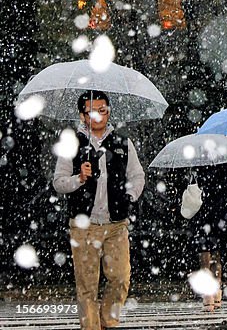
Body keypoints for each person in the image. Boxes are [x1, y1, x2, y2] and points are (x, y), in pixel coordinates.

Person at [53, 92, 145, 330]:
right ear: (83, 115)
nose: (99, 115)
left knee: (120, 278)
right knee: (87, 284)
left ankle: (108, 320)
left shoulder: (122, 142)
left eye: (103, 110)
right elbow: (59, 182)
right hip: (84, 225)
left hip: (116, 223)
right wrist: (78, 178)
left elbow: (137, 176)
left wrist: (129, 196)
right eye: (93, 111)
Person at [192, 162, 227, 312]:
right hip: (222, 212)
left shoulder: (201, 162)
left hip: (205, 211)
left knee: (206, 252)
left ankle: (209, 294)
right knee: (217, 253)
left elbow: (199, 184)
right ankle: (216, 291)